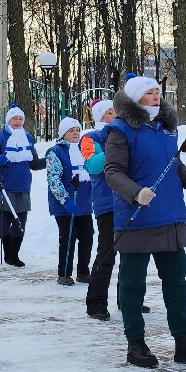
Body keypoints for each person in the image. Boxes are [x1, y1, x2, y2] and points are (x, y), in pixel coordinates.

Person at [103, 75, 186, 368]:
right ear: (135, 98)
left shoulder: (167, 129)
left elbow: (175, 167)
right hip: (137, 218)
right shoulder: (119, 130)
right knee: (133, 286)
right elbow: (113, 172)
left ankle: (184, 342)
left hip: (170, 216)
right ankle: (136, 344)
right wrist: (135, 193)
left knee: (177, 284)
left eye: (157, 91)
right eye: (150, 92)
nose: (156, 96)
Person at [0, 103, 41, 268]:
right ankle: (8, 253)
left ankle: (14, 254)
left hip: (22, 185)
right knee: (4, 221)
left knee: (20, 222)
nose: (18, 121)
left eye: (20, 118)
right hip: (2, 186)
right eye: (14, 118)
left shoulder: (28, 137)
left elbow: (34, 163)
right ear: (8, 120)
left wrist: (50, 161)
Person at [79, 98, 118, 321]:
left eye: (115, 111)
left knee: (133, 253)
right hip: (106, 203)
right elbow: (92, 165)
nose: (113, 114)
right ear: (100, 116)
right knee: (106, 254)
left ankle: (130, 298)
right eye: (109, 112)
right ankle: (96, 303)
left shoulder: (124, 133)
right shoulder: (89, 137)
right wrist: (114, 148)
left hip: (128, 200)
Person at [47, 116, 94, 286]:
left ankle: (83, 271)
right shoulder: (56, 152)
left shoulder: (84, 149)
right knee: (68, 237)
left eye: (77, 130)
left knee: (87, 236)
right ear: (63, 134)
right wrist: (64, 199)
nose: (75, 133)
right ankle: (64, 273)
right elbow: (53, 178)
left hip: (84, 202)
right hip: (65, 204)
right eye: (71, 131)